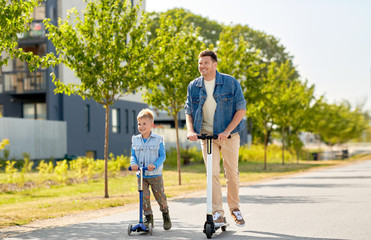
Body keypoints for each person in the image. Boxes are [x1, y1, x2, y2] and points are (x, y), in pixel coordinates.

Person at [185, 50, 247, 227]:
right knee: (211, 175)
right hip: (207, 137)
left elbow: (240, 109)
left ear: (214, 64)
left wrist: (227, 130)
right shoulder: (193, 86)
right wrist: (191, 130)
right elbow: (188, 110)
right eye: (199, 63)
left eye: (205, 62)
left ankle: (234, 208)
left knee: (231, 174)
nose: (201, 66)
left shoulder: (230, 82)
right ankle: (218, 213)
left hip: (229, 136)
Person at [130, 108, 172, 230]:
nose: (141, 126)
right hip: (141, 175)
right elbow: (133, 155)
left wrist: (155, 164)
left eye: (144, 124)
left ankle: (165, 213)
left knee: (160, 196)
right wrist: (133, 163)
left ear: (151, 124)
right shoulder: (135, 140)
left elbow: (162, 156)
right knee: (144, 197)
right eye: (139, 124)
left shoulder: (158, 139)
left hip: (155, 175)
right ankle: (148, 218)